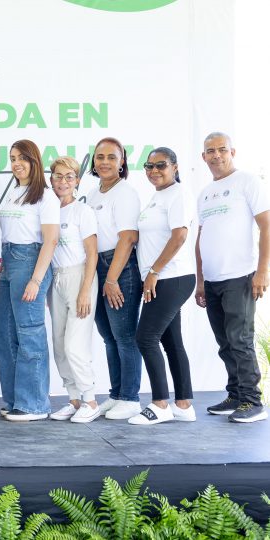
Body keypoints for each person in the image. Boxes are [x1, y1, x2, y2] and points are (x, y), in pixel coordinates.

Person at [196, 132, 270, 423]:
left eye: (222, 149)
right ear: (203, 157)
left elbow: (267, 227)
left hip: (240, 275)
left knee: (240, 339)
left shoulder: (248, 182)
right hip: (212, 281)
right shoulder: (205, 192)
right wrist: (201, 281)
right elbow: (201, 238)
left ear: (233, 152)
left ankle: (253, 401)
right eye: (210, 151)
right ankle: (236, 394)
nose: (216, 155)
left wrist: (262, 271)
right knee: (225, 341)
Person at [129, 147, 197, 425]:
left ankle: (159, 404)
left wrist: (154, 271)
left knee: (145, 338)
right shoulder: (157, 197)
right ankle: (183, 405)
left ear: (175, 167)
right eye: (149, 165)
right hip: (163, 277)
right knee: (171, 341)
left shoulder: (179, 195)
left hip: (172, 277)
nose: (154, 170)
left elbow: (179, 236)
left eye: (161, 165)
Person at [0, 140, 59, 422]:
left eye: (22, 158)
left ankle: (34, 404)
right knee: (6, 335)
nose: (16, 163)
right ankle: (15, 399)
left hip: (30, 261)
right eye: (12, 158)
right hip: (9, 261)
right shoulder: (13, 192)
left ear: (35, 161)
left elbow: (51, 240)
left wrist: (35, 280)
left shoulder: (45, 196)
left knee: (30, 334)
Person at [85, 136, 143, 420]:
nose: (105, 162)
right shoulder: (95, 193)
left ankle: (131, 398)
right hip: (97, 266)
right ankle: (117, 394)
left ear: (122, 162)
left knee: (125, 336)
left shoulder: (125, 192)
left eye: (111, 157)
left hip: (119, 269)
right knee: (109, 336)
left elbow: (128, 237)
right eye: (100, 157)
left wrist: (112, 279)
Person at [46, 156, 100, 423]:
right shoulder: (49, 210)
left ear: (77, 180)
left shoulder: (82, 211)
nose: (63, 181)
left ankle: (90, 400)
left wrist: (84, 291)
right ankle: (75, 399)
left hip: (80, 277)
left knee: (74, 346)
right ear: (51, 178)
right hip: (56, 280)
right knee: (59, 345)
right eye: (58, 176)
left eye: (69, 176)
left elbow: (92, 255)